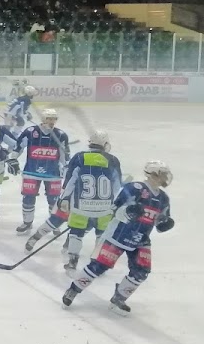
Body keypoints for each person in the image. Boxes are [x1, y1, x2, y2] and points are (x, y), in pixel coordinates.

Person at [62, 160, 174, 314]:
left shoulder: (164, 198)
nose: (165, 177)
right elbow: (114, 208)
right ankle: (73, 290)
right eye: (162, 174)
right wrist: (127, 212)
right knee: (99, 266)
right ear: (153, 175)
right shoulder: (134, 188)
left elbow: (159, 221)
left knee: (141, 271)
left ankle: (118, 299)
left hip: (141, 240)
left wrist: (164, 225)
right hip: (118, 235)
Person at [24, 130, 123, 271]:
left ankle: (63, 254)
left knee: (65, 225)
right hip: (103, 207)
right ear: (105, 144)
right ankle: (98, 263)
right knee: (101, 235)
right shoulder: (113, 160)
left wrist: (64, 198)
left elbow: (69, 181)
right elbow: (117, 185)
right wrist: (112, 203)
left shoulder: (79, 157)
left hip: (78, 203)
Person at [10, 108, 70, 233]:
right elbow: (19, 147)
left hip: (53, 174)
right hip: (31, 172)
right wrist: (13, 159)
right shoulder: (30, 132)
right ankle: (27, 222)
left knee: (53, 200)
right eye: (49, 118)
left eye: (54, 119)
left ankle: (54, 225)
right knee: (28, 197)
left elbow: (65, 155)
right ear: (43, 119)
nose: (52, 121)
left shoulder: (61, 134)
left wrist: (67, 167)